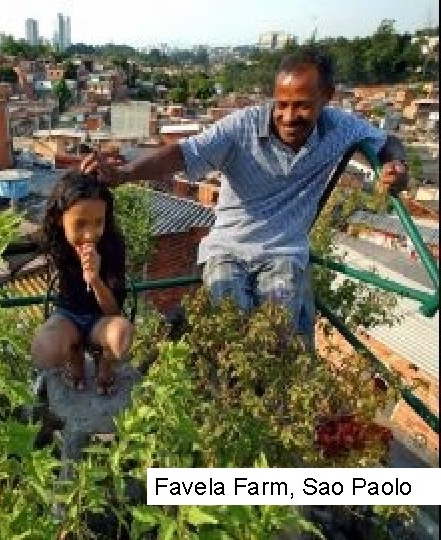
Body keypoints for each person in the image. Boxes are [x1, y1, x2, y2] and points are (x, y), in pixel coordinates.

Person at [80, 46, 409, 341]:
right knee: (229, 323)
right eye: (282, 105)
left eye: (303, 106)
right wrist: (125, 175)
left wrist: (395, 164)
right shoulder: (243, 127)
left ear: (327, 97)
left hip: (284, 250)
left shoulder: (340, 128)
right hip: (228, 247)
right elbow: (185, 152)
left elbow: (386, 142)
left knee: (277, 331)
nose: (289, 117)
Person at [30, 171, 133, 395]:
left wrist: (95, 279)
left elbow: (115, 310)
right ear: (60, 220)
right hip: (68, 315)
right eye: (79, 224)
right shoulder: (55, 243)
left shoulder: (112, 245)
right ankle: (74, 357)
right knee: (43, 350)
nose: (89, 235)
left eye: (98, 223)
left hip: (101, 320)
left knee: (122, 335)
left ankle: (105, 365)